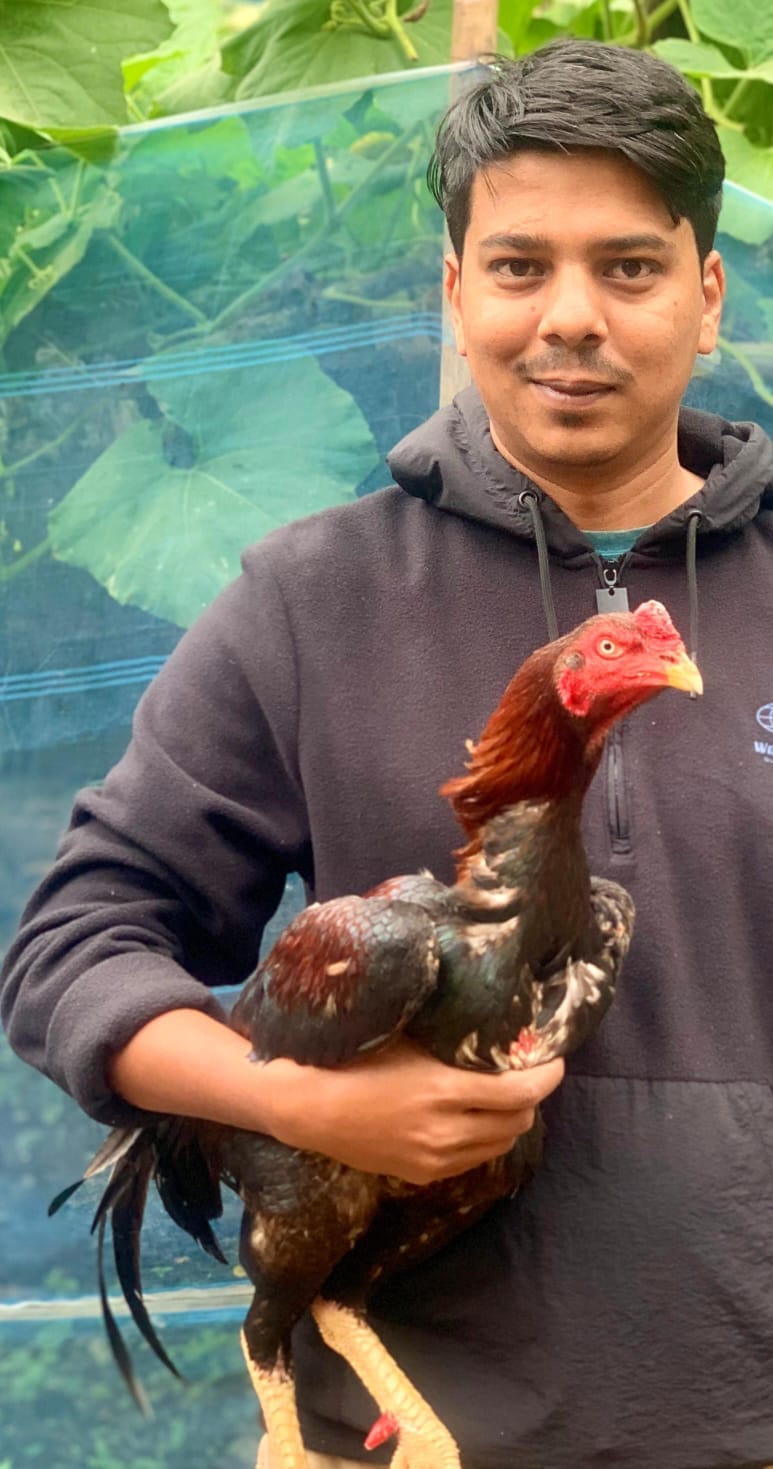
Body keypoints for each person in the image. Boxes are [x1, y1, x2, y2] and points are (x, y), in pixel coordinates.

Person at [2, 35, 773, 1469]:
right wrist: (292, 1099)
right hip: (410, 1434)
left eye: (627, 266)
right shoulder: (310, 597)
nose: (572, 317)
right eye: (519, 265)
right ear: (455, 291)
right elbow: (73, 943)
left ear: (707, 292)